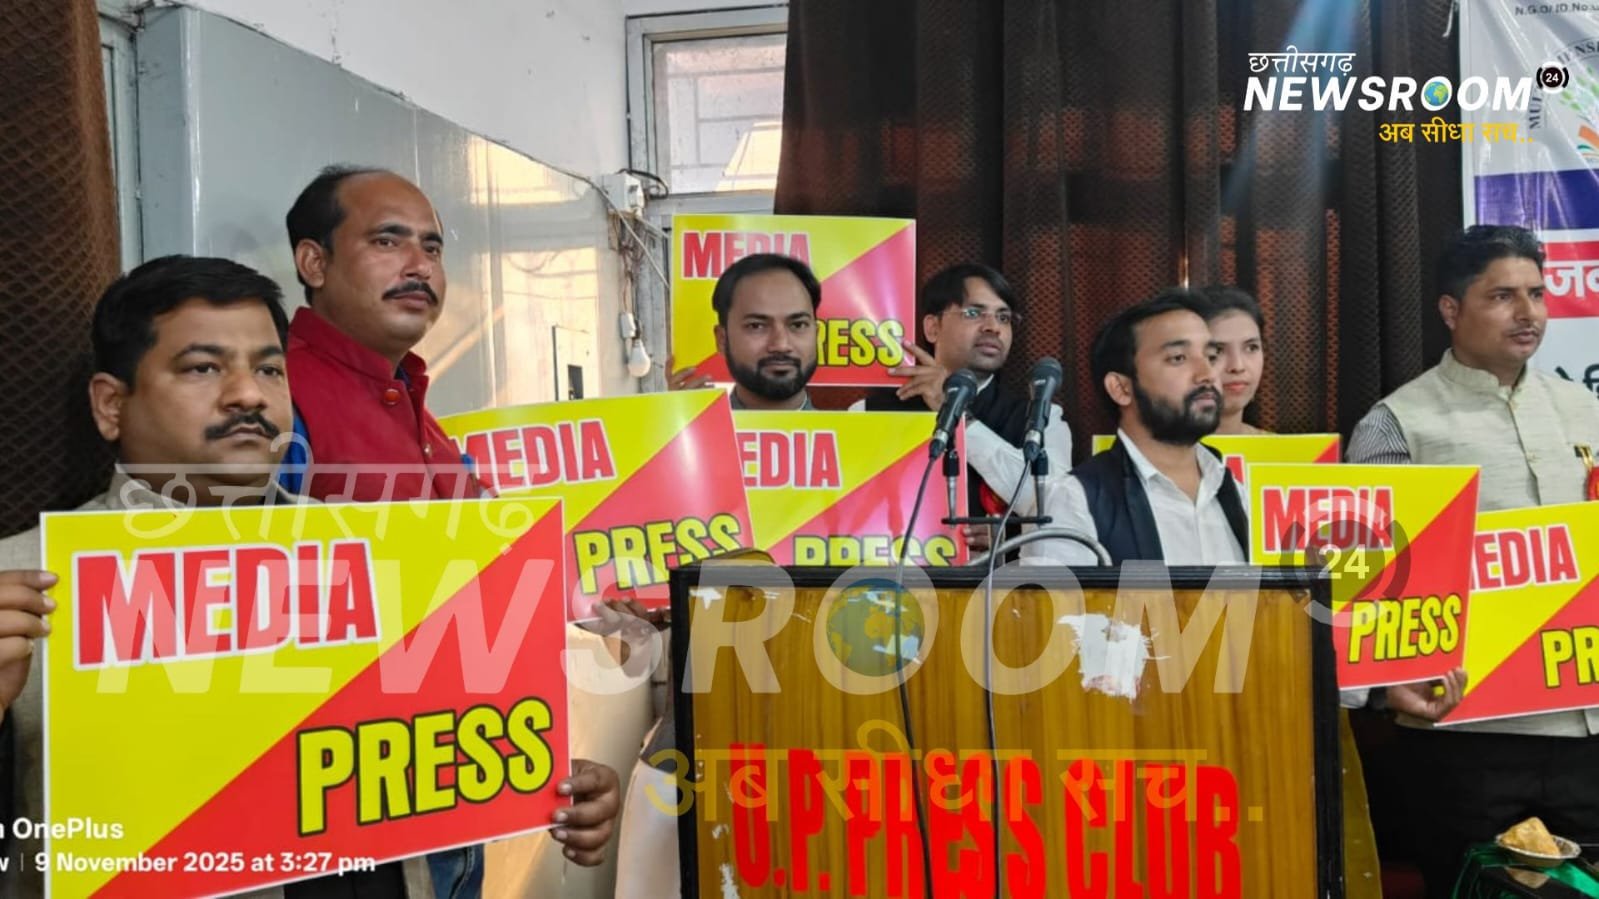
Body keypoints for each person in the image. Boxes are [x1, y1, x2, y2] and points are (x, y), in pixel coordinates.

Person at [281, 165, 620, 896]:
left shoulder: (420, 413)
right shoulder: (276, 403)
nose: (420, 266)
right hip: (339, 814)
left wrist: (594, 612)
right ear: (314, 262)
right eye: (388, 241)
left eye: (432, 247)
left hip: (452, 790)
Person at [0, 256, 343, 898]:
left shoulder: (374, 551)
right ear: (111, 405)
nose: (249, 395)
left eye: (269, 369)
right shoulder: (18, 584)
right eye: (203, 368)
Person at [1347, 224, 1599, 897]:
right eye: (1502, 296)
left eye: (1536, 294)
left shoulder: (1585, 410)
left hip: (1587, 724)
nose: (1528, 313)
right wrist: (1388, 681)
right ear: (1450, 309)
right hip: (1468, 732)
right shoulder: (1399, 422)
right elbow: (1368, 580)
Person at [1023, 289, 1242, 566]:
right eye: (1178, 358)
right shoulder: (1073, 500)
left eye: (1211, 356)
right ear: (1121, 388)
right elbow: (1053, 596)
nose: (1207, 374)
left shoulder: (1239, 492)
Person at [855, 264, 1072, 541]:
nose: (993, 327)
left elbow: (1057, 506)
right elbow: (849, 515)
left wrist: (1009, 539)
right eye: (974, 313)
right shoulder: (869, 414)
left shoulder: (1041, 416)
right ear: (933, 328)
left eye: (1004, 317)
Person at [666, 252, 820, 410]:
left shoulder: (839, 427)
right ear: (722, 340)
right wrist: (683, 421)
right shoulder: (678, 423)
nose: (781, 345)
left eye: (798, 325)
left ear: (816, 334)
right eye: (756, 326)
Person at [1201, 287, 1268, 435]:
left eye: (1251, 348)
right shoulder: (1153, 449)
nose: (1237, 366)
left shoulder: (1280, 447)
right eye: (1217, 351)